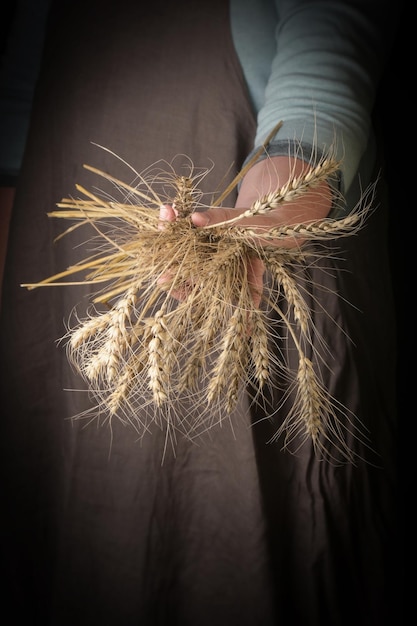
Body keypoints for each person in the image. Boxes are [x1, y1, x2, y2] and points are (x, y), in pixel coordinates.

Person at [0, 1, 401, 624]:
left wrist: (276, 203)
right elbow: (21, 80)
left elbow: (334, 26)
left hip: (257, 217)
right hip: (54, 219)